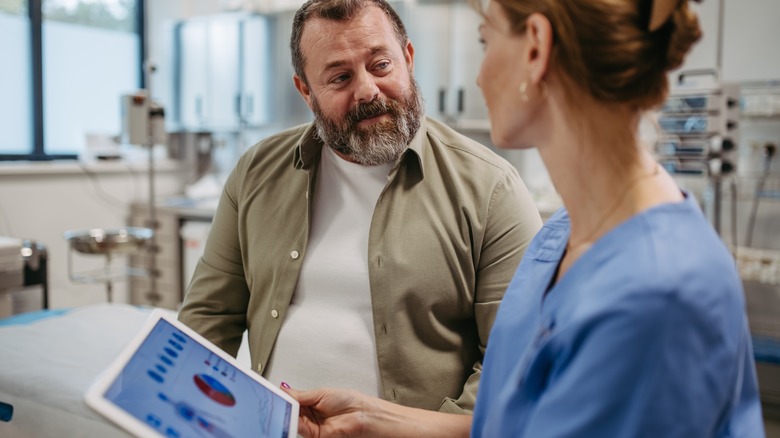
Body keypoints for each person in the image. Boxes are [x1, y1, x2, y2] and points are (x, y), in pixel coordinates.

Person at [281, 0, 766, 436]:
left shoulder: (659, 293)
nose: (478, 74)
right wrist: (376, 420)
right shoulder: (560, 239)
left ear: (535, 48)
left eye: (485, 41)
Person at [177, 0, 543, 416]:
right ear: (306, 92)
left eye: (381, 65)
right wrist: (186, 410)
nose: (367, 90)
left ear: (407, 58)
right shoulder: (256, 172)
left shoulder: (491, 188)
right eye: (340, 77)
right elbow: (208, 318)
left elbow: (514, 363)